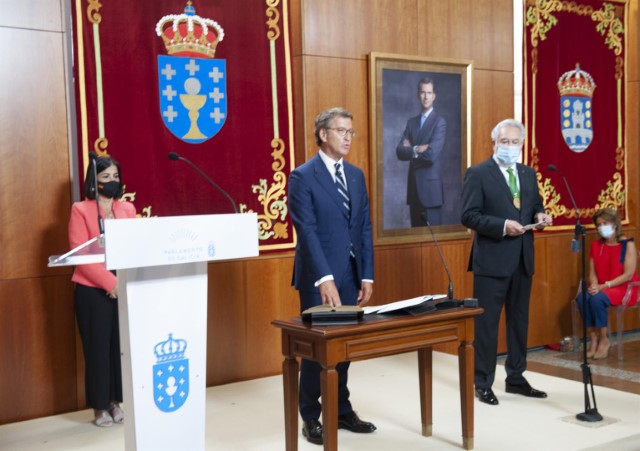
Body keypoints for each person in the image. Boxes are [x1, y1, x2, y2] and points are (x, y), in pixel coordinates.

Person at [289, 107, 376, 445]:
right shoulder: (303, 176)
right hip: (318, 277)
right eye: (342, 131)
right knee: (316, 352)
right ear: (323, 134)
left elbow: (364, 226)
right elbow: (307, 231)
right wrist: (324, 277)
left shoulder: (355, 175)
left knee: (344, 351)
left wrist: (366, 274)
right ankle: (310, 417)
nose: (348, 138)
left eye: (351, 132)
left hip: (352, 275)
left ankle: (341, 410)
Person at [461, 118, 552, 406]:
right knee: (486, 325)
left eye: (515, 143)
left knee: (518, 322)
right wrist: (502, 225)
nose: (510, 147)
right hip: (492, 260)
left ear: (522, 145)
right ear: (494, 143)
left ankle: (516, 377)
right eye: (505, 142)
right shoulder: (478, 173)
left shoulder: (528, 173)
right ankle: (482, 381)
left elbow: (535, 204)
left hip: (523, 258)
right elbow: (469, 215)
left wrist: (540, 215)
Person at [68, 155, 137, 427]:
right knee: (97, 350)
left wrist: (124, 282)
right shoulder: (80, 210)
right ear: (94, 181)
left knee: (118, 349)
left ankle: (116, 401)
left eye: (115, 177)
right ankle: (100, 406)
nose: (111, 182)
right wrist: (110, 283)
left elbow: (135, 246)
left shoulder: (127, 209)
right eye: (105, 177)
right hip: (92, 290)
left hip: (122, 287)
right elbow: (80, 256)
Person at [576, 208, 639, 359]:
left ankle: (604, 340)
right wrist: (594, 285)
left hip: (624, 288)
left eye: (605, 223)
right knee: (582, 298)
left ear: (615, 224)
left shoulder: (627, 244)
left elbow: (628, 274)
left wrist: (605, 286)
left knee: (598, 299)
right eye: (599, 224)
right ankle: (593, 339)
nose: (601, 227)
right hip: (603, 287)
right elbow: (592, 272)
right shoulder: (596, 245)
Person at [396, 76, 447, 226]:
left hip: (431, 192)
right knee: (416, 240)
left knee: (432, 242)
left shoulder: (440, 122)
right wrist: (418, 149)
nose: (426, 96)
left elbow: (431, 155)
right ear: (418, 95)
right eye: (423, 92)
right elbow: (399, 152)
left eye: (429, 93)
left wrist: (410, 150)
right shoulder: (411, 122)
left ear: (434, 96)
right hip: (414, 191)